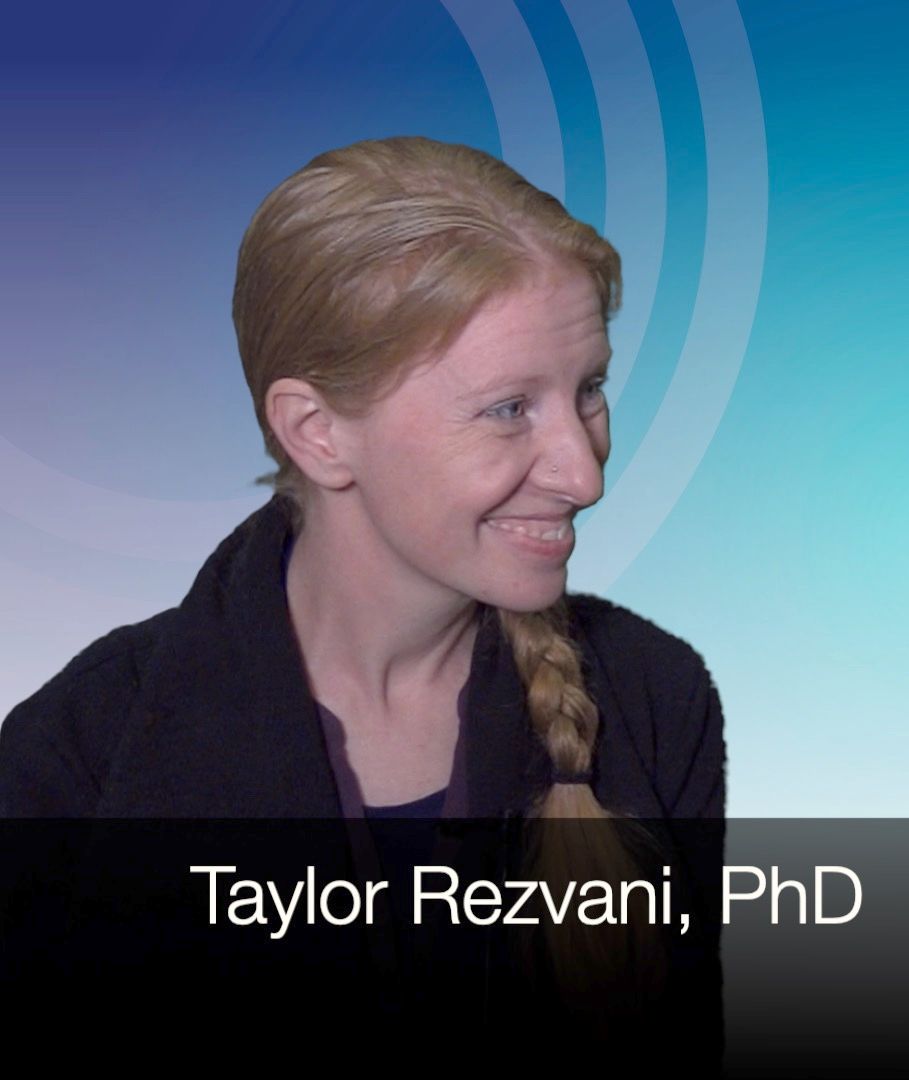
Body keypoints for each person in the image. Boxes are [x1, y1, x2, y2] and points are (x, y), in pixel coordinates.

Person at [0, 137, 725, 1062]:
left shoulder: (653, 699)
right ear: (317, 433)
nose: (584, 475)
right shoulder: (82, 748)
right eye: (509, 408)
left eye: (588, 390)